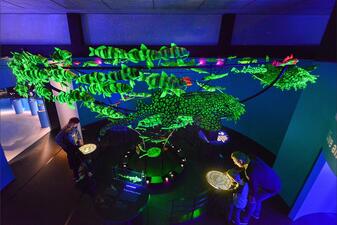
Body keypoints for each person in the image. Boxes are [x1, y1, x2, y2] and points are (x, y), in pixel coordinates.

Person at [231, 151, 281, 225]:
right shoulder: (251, 156)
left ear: (240, 161)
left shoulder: (250, 171)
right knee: (258, 199)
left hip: (272, 188)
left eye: (235, 162)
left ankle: (245, 220)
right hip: (275, 181)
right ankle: (256, 214)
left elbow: (254, 188)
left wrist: (252, 196)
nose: (235, 163)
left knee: (253, 201)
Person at [55, 117, 84, 182]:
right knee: (74, 161)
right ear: (74, 124)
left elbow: (77, 134)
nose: (77, 125)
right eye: (77, 124)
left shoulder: (73, 128)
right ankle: (76, 177)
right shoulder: (67, 131)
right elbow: (58, 139)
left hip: (72, 146)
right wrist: (66, 147)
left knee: (77, 159)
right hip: (69, 147)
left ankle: (78, 172)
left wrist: (79, 142)